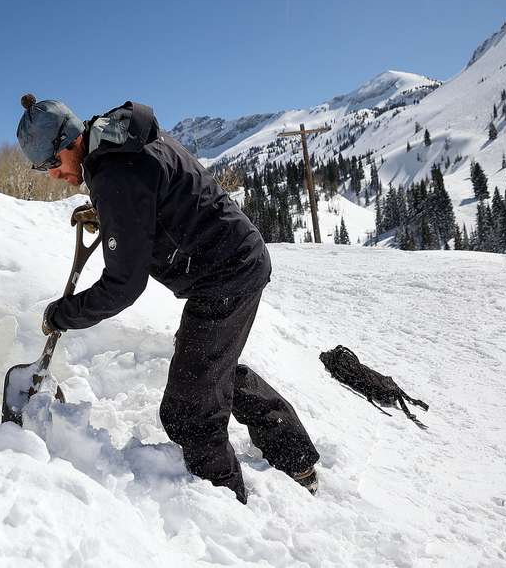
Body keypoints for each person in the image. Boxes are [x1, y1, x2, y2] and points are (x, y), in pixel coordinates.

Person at [16, 94, 319, 503]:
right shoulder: (118, 139)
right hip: (228, 264)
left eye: (50, 164)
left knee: (189, 411)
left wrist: (63, 314)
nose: (52, 175)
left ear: (70, 142)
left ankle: (226, 512)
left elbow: (123, 285)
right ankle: (295, 455)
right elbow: (151, 194)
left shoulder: (113, 170)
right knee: (208, 367)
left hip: (227, 273)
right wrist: (110, 214)